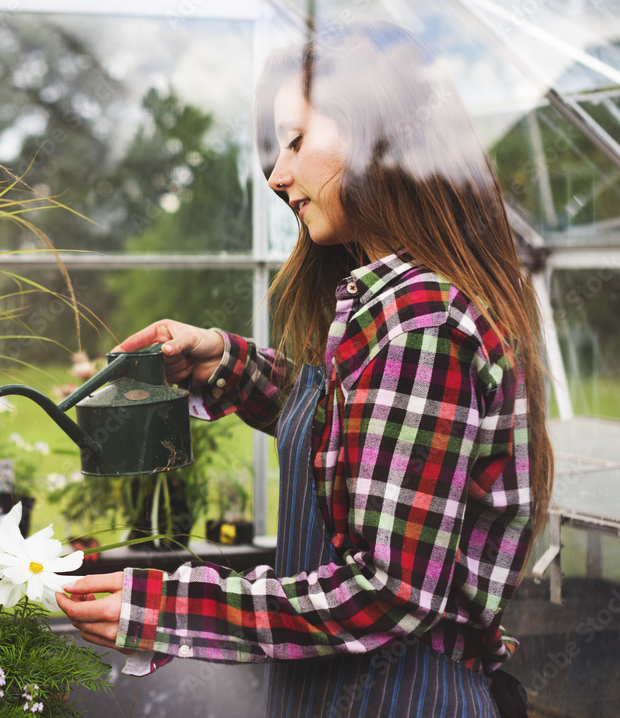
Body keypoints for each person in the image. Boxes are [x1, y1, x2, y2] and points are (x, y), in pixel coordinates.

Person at [56, 21, 550, 718]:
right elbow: (362, 432)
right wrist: (226, 362)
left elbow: (385, 594)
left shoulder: (420, 320)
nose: (278, 177)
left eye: (295, 141)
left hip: (398, 699)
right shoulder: (392, 305)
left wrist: (169, 607)